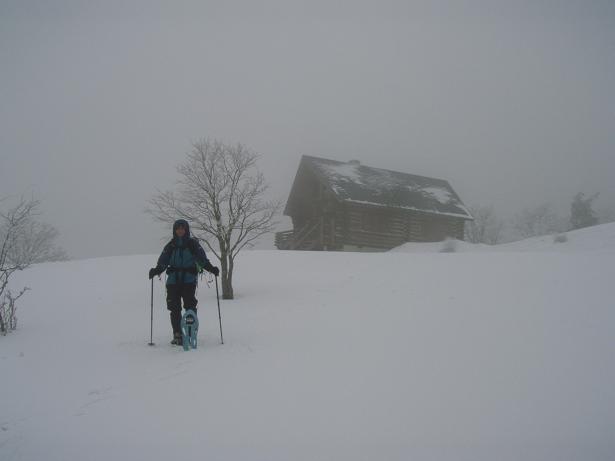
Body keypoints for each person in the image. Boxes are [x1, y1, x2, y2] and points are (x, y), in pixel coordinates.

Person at [149, 219, 219, 345]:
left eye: (182, 228)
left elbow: (202, 260)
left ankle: (191, 333)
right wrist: (156, 270)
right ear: (174, 230)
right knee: (174, 308)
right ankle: (178, 335)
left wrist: (212, 269)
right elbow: (163, 262)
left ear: (186, 230)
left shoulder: (193, 244)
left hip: (189, 280)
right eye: (178, 228)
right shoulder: (170, 246)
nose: (180, 230)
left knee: (190, 306)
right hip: (173, 282)